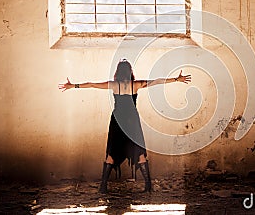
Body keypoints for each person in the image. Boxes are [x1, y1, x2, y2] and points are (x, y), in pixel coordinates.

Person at [58, 60, 191, 193]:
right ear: (130, 72)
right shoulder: (136, 84)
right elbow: (157, 81)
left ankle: (103, 186)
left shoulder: (114, 85)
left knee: (112, 151)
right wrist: (176, 79)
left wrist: (73, 86)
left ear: (118, 72)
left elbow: (92, 84)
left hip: (117, 121)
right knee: (139, 152)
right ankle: (148, 186)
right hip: (132, 121)